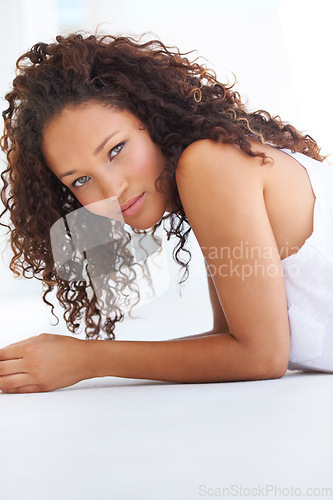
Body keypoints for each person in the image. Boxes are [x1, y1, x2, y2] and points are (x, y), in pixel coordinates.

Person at [1, 32, 332, 394]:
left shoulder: (210, 164)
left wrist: (87, 359)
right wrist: (74, 358)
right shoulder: (212, 175)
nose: (110, 191)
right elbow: (233, 342)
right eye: (80, 180)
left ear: (152, 119)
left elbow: (260, 356)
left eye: (116, 150)